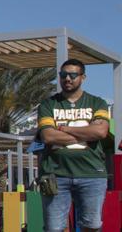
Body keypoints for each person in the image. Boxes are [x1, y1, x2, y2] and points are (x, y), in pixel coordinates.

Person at [36, 58, 111, 232]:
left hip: (92, 174)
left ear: (83, 77)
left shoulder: (97, 103)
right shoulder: (48, 105)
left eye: (73, 75)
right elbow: (48, 136)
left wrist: (64, 128)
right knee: (54, 228)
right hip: (55, 175)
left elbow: (100, 132)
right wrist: (86, 135)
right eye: (63, 75)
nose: (67, 79)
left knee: (92, 226)